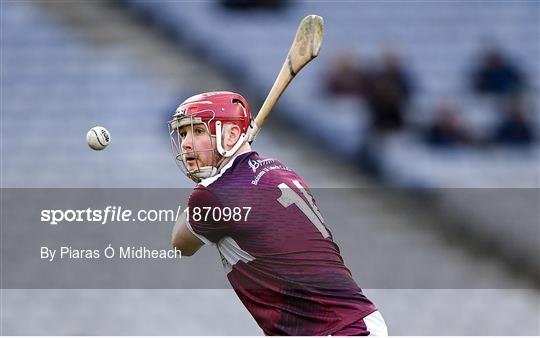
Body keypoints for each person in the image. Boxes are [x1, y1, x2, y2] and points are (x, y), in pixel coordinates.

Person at [168, 91, 388, 336]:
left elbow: (180, 245)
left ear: (230, 135)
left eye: (197, 131)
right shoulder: (281, 170)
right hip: (348, 322)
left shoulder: (213, 195)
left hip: (339, 329)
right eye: (183, 133)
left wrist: (206, 186)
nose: (186, 142)